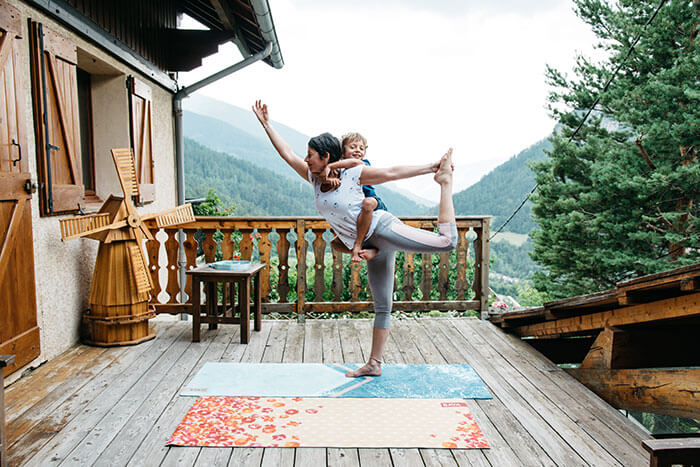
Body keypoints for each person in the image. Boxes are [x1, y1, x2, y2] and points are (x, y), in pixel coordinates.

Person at [252, 100, 457, 378]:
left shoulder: (353, 174)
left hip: (382, 228)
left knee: (447, 243)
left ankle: (445, 184)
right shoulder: (313, 178)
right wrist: (267, 124)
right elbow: (287, 154)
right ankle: (374, 364)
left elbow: (391, 172)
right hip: (370, 243)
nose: (306, 158)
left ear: (326, 156)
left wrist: (432, 167)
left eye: (311, 154)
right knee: (383, 305)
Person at [321, 132, 388, 263]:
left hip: (373, 203)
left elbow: (354, 163)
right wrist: (331, 179)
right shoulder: (339, 170)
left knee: (367, 203)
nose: (358, 150)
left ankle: (358, 244)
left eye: (361, 148)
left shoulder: (362, 163)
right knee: (335, 244)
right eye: (353, 147)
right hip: (357, 211)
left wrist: (331, 166)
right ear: (343, 152)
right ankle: (365, 251)